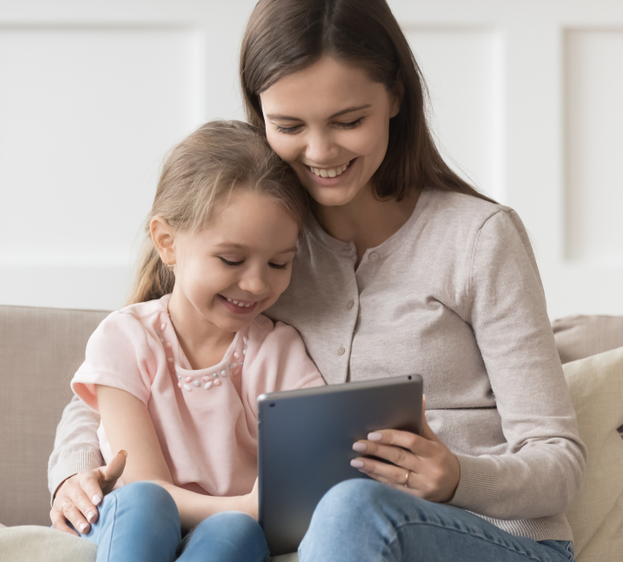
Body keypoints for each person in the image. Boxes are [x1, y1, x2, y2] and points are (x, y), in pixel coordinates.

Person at [50, 1, 587, 560]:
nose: (321, 151)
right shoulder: (265, 247)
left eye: (348, 121)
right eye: (288, 126)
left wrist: (456, 476)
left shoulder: (478, 239)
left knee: (351, 506)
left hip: (497, 541)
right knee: (338, 512)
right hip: (332, 542)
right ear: (261, 115)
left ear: (396, 97)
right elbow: (125, 372)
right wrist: (73, 474)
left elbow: (561, 461)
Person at [61, 120, 325, 562]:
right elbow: (146, 485)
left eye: (279, 263)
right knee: (146, 503)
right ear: (167, 242)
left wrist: (248, 513)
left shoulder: (278, 352)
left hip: (228, 534)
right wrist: (247, 506)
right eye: (231, 259)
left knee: (237, 530)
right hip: (136, 526)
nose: (257, 284)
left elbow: (308, 463)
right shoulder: (125, 339)